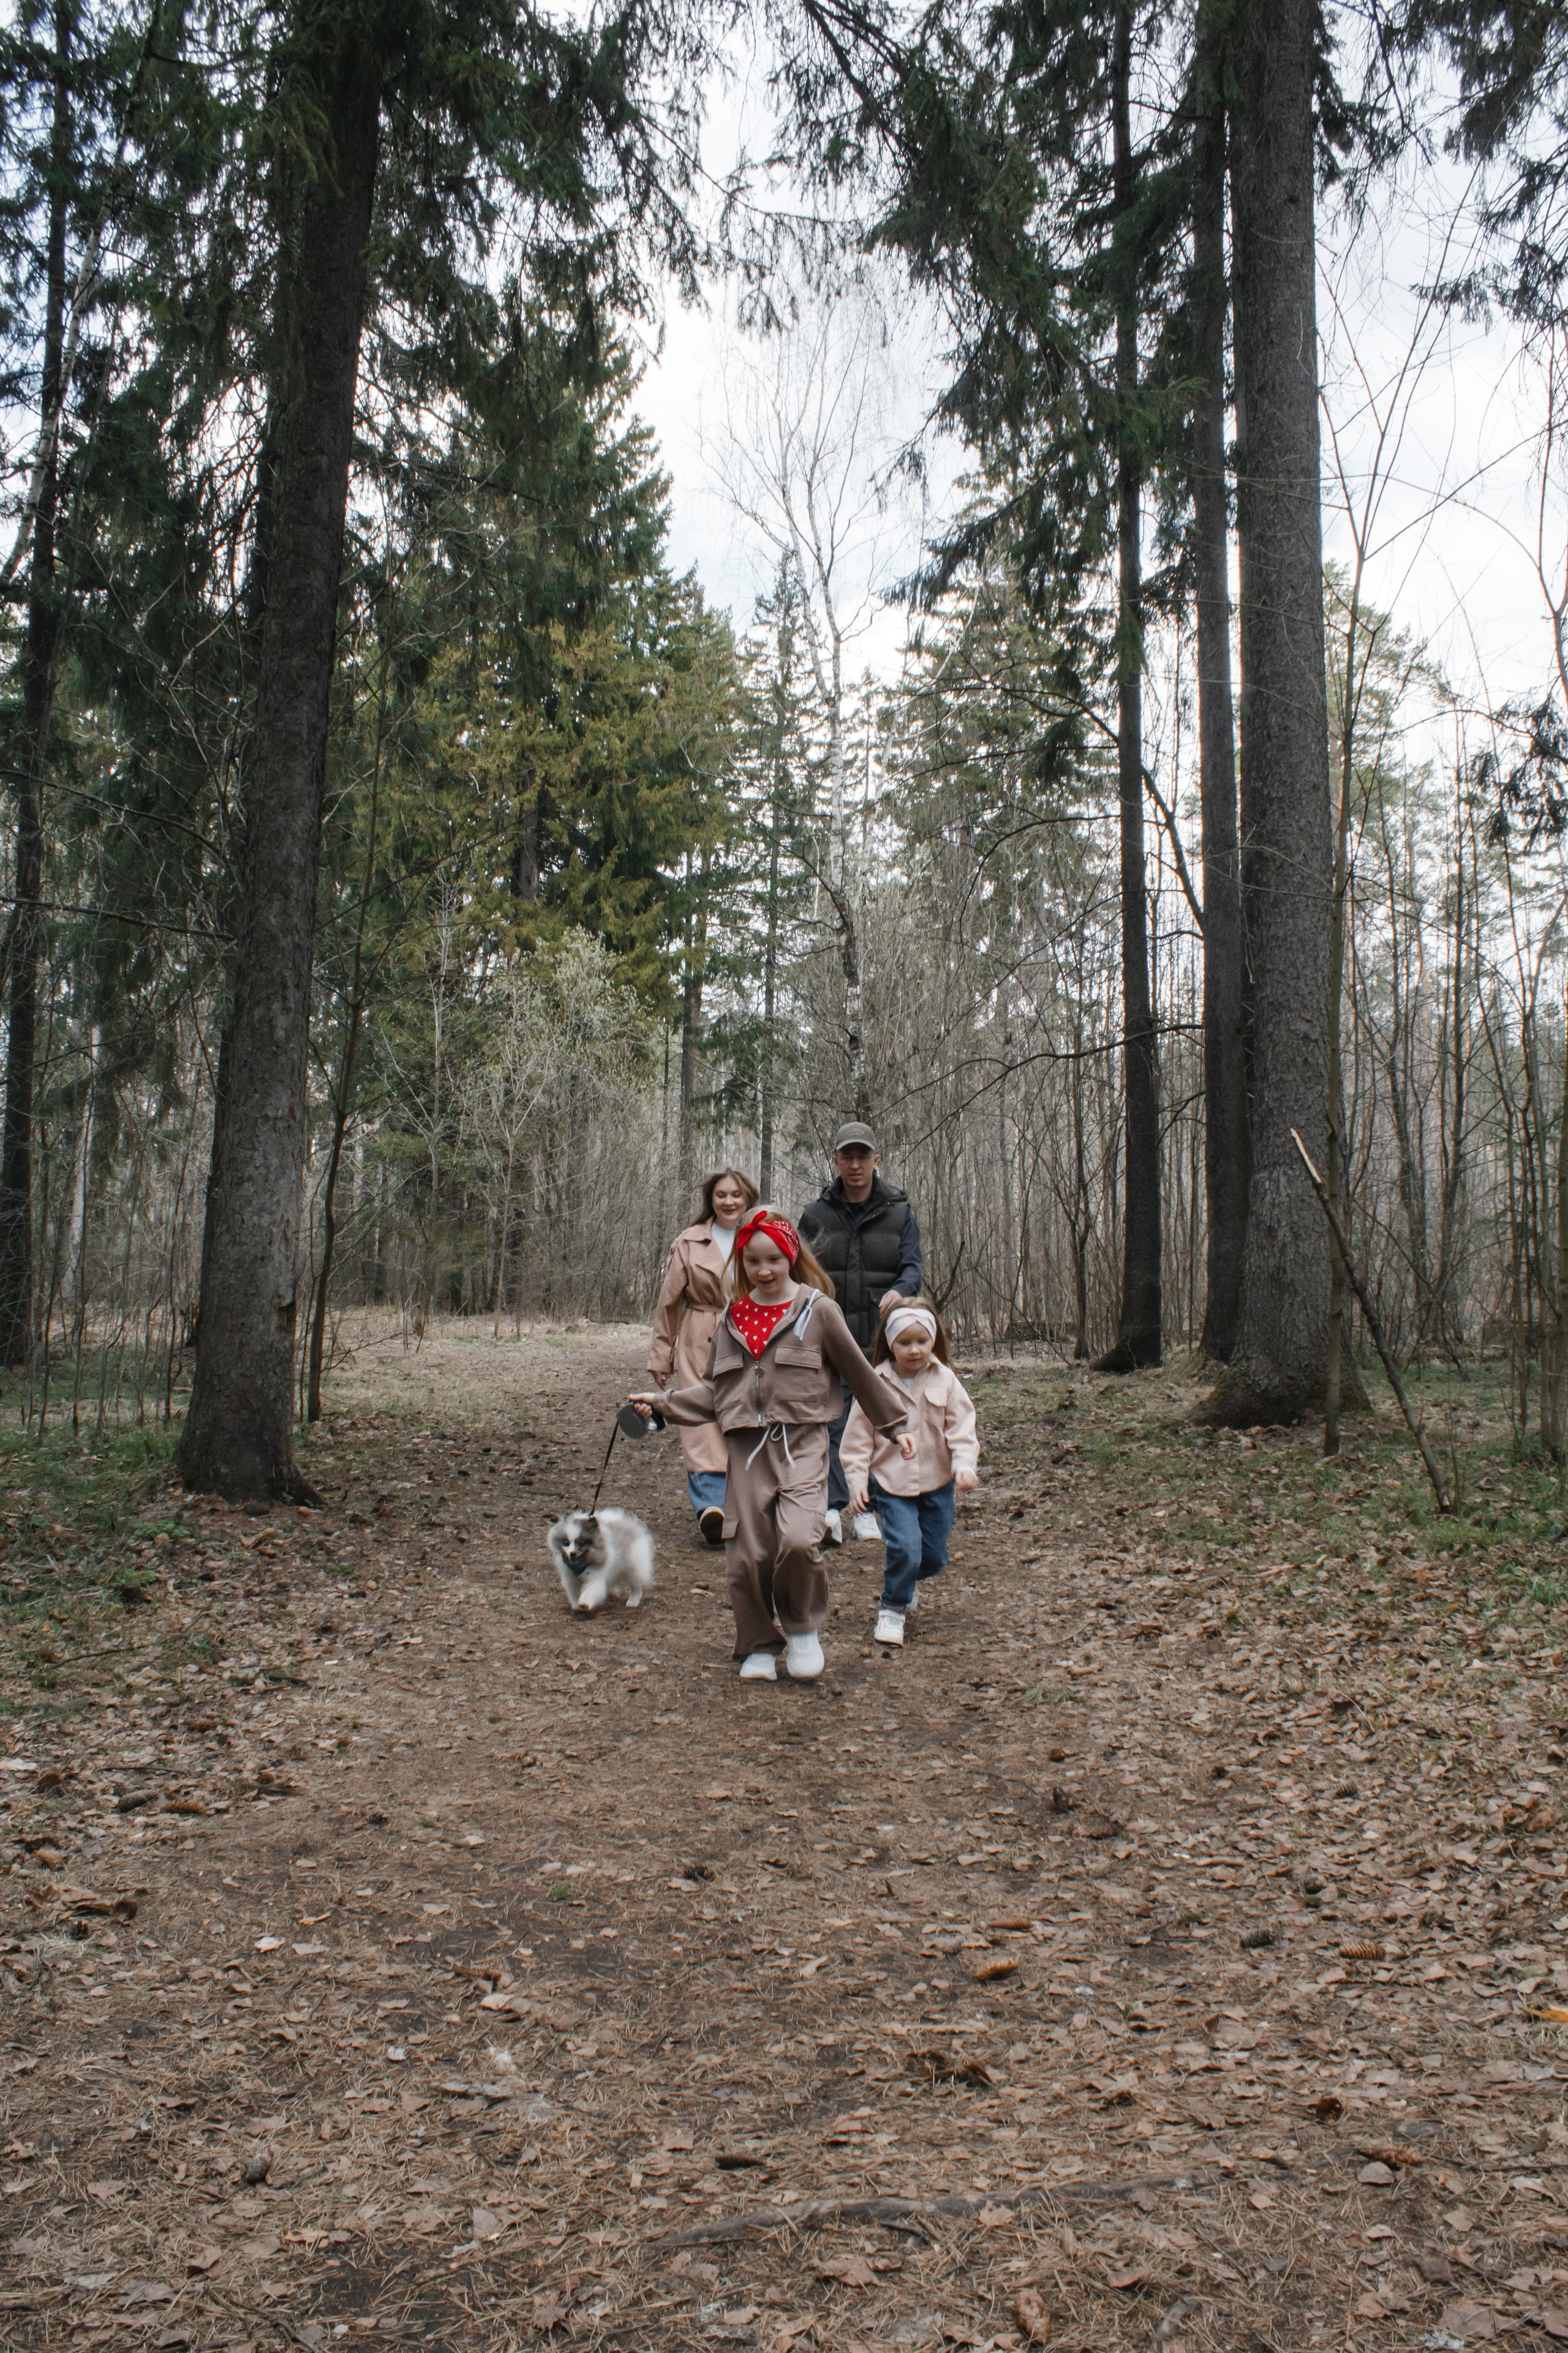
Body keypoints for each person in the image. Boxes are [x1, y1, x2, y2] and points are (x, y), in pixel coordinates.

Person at [629, 1209, 913, 1683]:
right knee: (748, 1554)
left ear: (791, 1257)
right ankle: (759, 1643)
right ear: (741, 1264)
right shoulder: (731, 1318)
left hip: (802, 1444)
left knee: (801, 1541)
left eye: (774, 1259)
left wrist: (895, 1425)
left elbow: (859, 1373)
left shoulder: (817, 1309)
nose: (764, 1270)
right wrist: (661, 1405)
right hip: (745, 1451)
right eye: (753, 1261)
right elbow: (712, 1393)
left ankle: (803, 1631)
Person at [798, 1122, 924, 1546]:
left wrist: (899, 1291)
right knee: (832, 1422)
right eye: (847, 1156)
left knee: (878, 1422)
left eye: (862, 1156)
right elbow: (798, 1270)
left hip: (879, 1339)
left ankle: (869, 1510)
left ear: (876, 1160)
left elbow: (913, 1267)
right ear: (835, 1160)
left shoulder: (899, 1212)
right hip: (830, 1340)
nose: (855, 1165)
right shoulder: (816, 1214)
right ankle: (834, 1508)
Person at [841, 1297, 978, 1649]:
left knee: (932, 1556)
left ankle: (908, 1581)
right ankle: (892, 1607)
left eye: (922, 1341)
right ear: (889, 1343)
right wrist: (857, 1484)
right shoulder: (875, 1383)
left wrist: (964, 1465)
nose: (914, 1351)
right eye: (904, 1343)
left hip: (937, 1483)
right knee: (904, 1548)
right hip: (891, 1483)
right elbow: (856, 1441)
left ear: (934, 1341)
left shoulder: (945, 1379)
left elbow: (961, 1428)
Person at [648, 1168, 759, 1545]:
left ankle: (748, 1503)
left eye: (736, 1195)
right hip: (701, 1335)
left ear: (749, 1198)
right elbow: (669, 1302)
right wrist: (661, 1354)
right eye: (721, 1195)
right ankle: (712, 1507)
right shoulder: (690, 1241)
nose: (729, 1202)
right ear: (711, 1200)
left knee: (746, 1415)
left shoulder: (763, 1234)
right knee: (700, 1418)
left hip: (751, 1335)